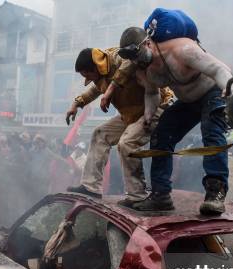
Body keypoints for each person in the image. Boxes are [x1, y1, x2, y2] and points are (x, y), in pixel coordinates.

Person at [119, 25, 233, 214]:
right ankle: (160, 195)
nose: (135, 61)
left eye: (136, 54)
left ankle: (215, 194)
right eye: (131, 58)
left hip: (212, 92)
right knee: (161, 135)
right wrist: (148, 114)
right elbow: (151, 92)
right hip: (187, 102)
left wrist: (231, 97)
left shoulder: (183, 50)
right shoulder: (143, 68)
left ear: (147, 43)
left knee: (212, 133)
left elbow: (219, 69)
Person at [65, 46, 173, 206]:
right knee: (100, 134)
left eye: (88, 74)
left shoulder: (119, 57)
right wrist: (76, 103)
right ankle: (91, 187)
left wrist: (110, 90)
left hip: (156, 108)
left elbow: (129, 63)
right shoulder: (99, 76)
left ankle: (137, 195)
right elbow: (95, 89)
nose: (88, 79)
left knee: (127, 143)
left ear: (96, 66)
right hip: (132, 113)